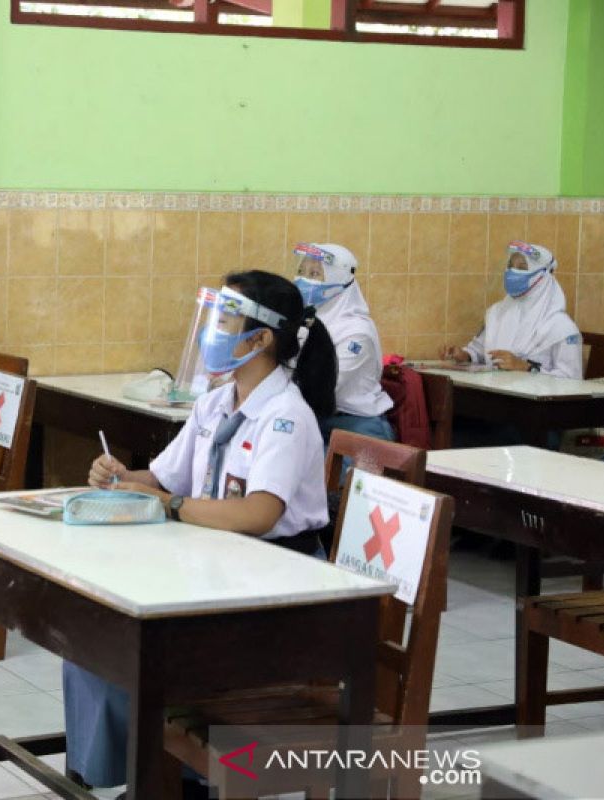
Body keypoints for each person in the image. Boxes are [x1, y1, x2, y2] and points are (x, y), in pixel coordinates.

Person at [62, 270, 339, 793]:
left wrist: (171, 505)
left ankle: (180, 778)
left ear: (260, 339)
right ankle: (132, 775)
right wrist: (120, 476)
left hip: (275, 585)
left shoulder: (285, 416)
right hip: (216, 569)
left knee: (140, 646)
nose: (213, 331)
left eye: (225, 321)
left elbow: (258, 514)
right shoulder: (215, 402)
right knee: (95, 638)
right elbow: (164, 478)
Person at [291, 242, 394, 443]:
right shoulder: (307, 321)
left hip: (355, 427)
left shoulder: (357, 332)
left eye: (313, 274)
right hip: (315, 420)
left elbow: (323, 388)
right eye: (301, 272)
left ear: (338, 279)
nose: (303, 280)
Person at [440, 241, 581, 379]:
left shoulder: (562, 328)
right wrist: (463, 355)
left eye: (522, 267)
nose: (512, 271)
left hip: (533, 401)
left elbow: (572, 379)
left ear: (542, 275)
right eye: (510, 266)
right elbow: (479, 351)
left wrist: (526, 367)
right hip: (495, 394)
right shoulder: (497, 313)